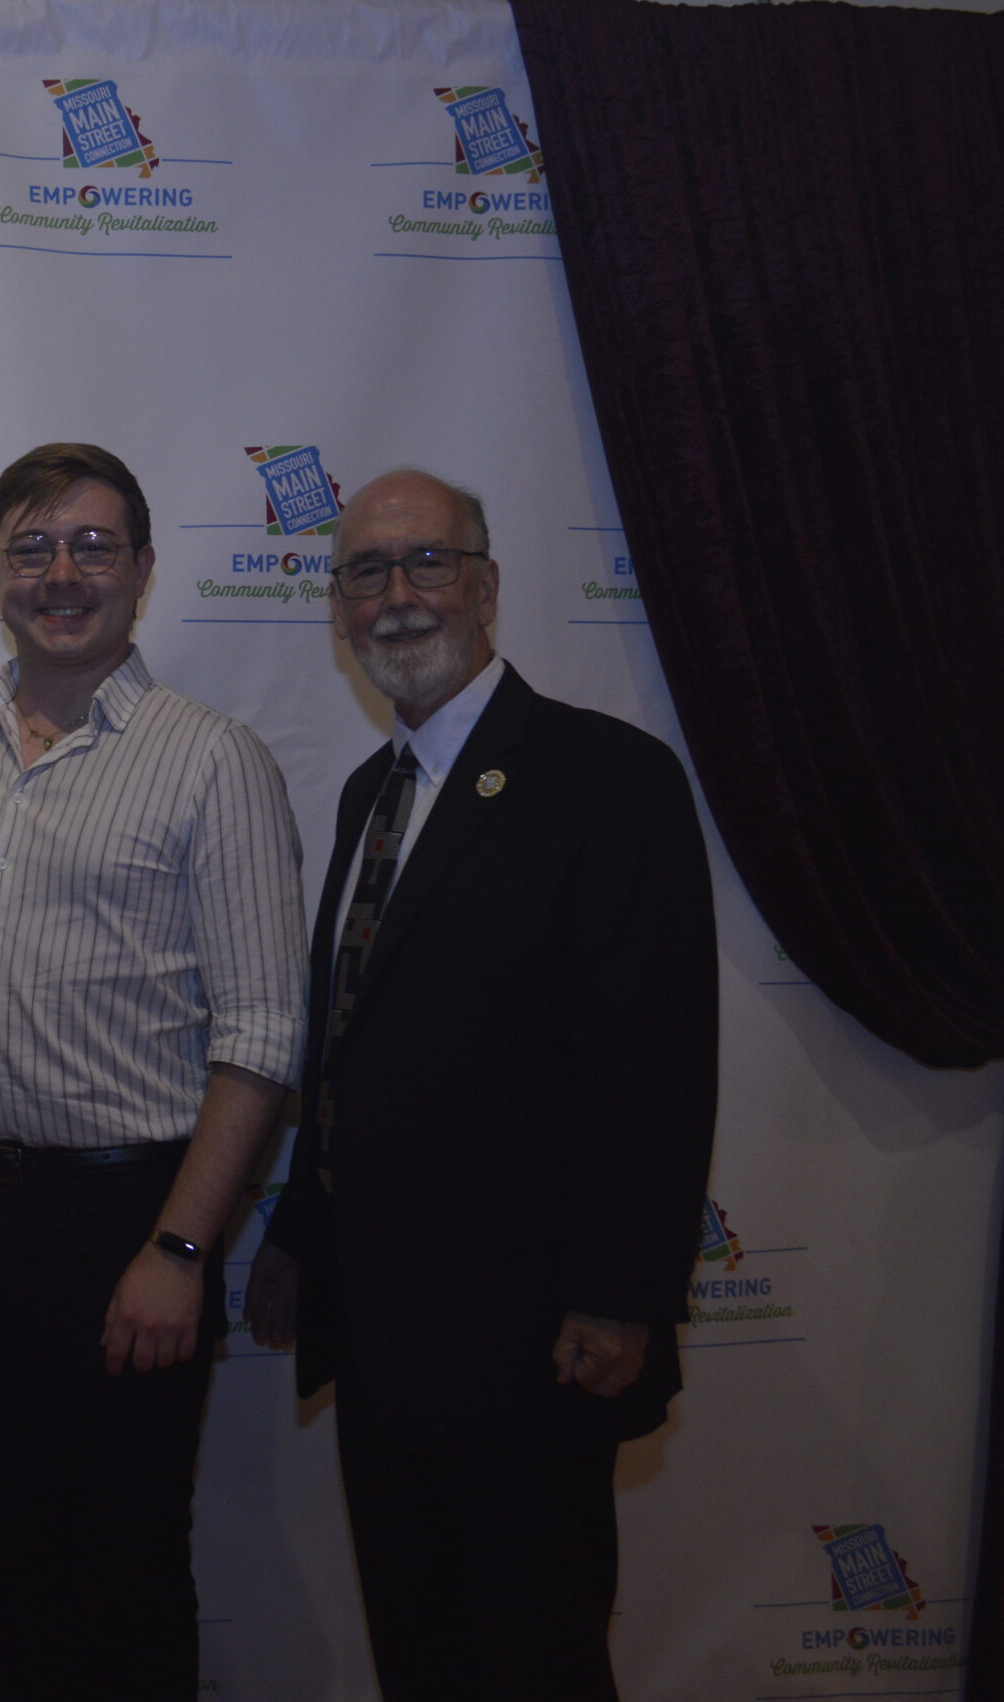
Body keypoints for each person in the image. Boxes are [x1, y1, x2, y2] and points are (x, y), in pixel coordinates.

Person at [246, 467, 718, 1702]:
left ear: (487, 584)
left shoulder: (608, 780)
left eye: (426, 562)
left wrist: (620, 1294)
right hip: (386, 1341)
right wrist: (304, 1227)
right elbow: (349, 1041)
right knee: (422, 1660)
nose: (397, 597)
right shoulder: (366, 797)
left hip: (532, 1348)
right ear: (337, 608)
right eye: (364, 571)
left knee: (535, 1663)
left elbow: (654, 1065)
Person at [0, 442, 309, 1701]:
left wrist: (181, 1250)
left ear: (138, 570)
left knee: (124, 1568)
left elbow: (263, 1032)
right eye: (32, 546)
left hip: (127, 1221)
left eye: (90, 546)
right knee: (14, 1562)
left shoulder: (210, 759)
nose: (61, 573)